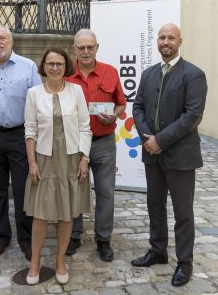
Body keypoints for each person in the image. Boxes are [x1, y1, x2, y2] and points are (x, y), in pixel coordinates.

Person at [131, 23, 207, 287]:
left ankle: (184, 262)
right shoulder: (148, 74)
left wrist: (160, 141)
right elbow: (138, 107)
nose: (166, 41)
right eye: (162, 37)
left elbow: (192, 116)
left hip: (181, 156)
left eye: (170, 38)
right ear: (157, 41)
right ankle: (158, 251)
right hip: (152, 154)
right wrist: (147, 139)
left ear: (179, 41)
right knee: (154, 206)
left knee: (183, 211)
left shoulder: (194, 75)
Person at [23, 48, 91, 285]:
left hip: (72, 158)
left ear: (66, 66)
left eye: (59, 64)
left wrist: (85, 158)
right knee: (40, 215)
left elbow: (85, 126)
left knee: (66, 213)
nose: (55, 67)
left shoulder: (77, 91)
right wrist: (32, 163)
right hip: (43, 158)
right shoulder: (33, 93)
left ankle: (60, 260)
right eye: (50, 63)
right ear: (43, 66)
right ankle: (35, 261)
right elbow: (30, 130)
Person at [0, 25, 41, 260]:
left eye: (2, 38)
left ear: (11, 41)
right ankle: (2, 235)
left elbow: (37, 105)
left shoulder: (28, 67)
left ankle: (26, 238)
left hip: (19, 135)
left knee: (23, 190)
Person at [63, 29, 127, 261]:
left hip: (103, 142)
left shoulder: (110, 72)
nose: (86, 51)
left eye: (90, 47)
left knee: (106, 191)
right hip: (75, 143)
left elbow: (121, 103)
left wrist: (114, 116)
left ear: (97, 48)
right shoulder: (66, 74)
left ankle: (103, 239)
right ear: (74, 49)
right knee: (75, 189)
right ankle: (74, 234)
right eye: (81, 47)